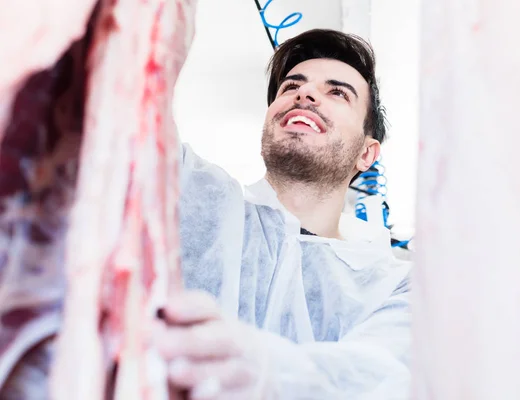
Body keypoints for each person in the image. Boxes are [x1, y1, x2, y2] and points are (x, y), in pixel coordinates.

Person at [154, 29, 412, 399]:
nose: (304, 94)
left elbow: (378, 374)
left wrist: (267, 373)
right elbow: (124, 117)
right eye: (291, 86)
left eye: (337, 92)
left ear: (367, 154)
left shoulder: (394, 287)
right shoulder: (191, 195)